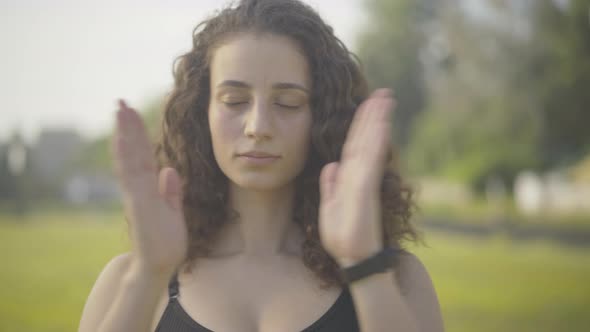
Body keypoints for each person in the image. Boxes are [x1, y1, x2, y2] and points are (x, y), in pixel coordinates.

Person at [78, 0, 444, 331]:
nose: (258, 127)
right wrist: (148, 276)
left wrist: (363, 266)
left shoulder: (397, 279)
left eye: (287, 103)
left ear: (324, 117)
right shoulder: (130, 279)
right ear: (201, 112)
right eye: (234, 100)